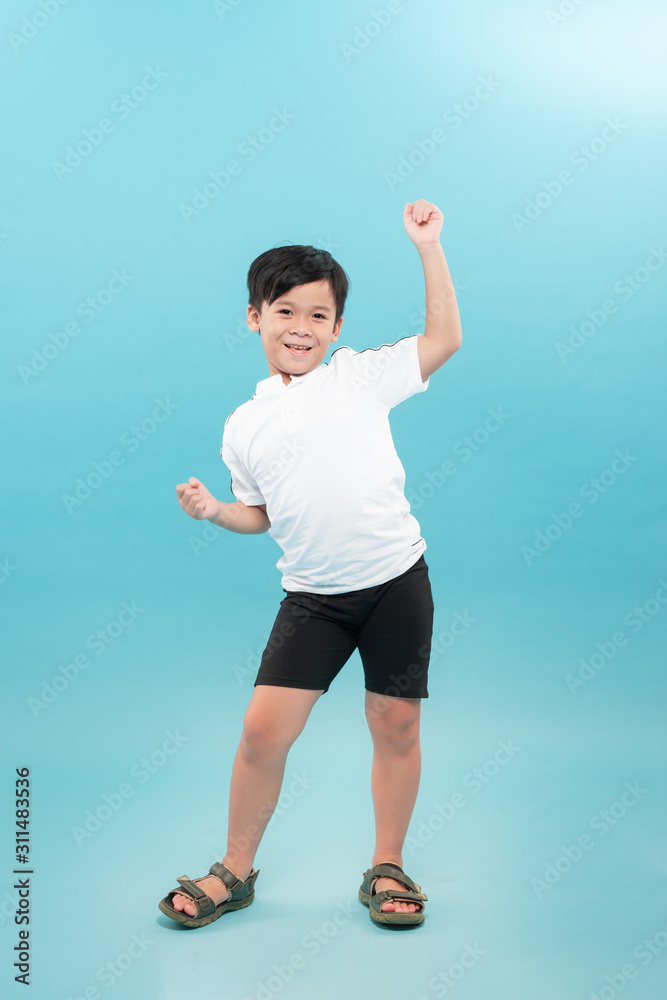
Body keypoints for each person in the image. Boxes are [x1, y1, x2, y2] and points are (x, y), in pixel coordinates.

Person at [159, 198, 462, 929]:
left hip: (396, 583)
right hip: (314, 600)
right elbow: (259, 515)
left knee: (395, 725)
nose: (302, 327)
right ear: (254, 318)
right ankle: (234, 871)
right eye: (284, 311)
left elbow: (444, 337)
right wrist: (213, 512)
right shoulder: (245, 424)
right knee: (263, 733)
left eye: (319, 316)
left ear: (337, 328)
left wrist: (427, 246)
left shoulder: (360, 377)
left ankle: (386, 864)